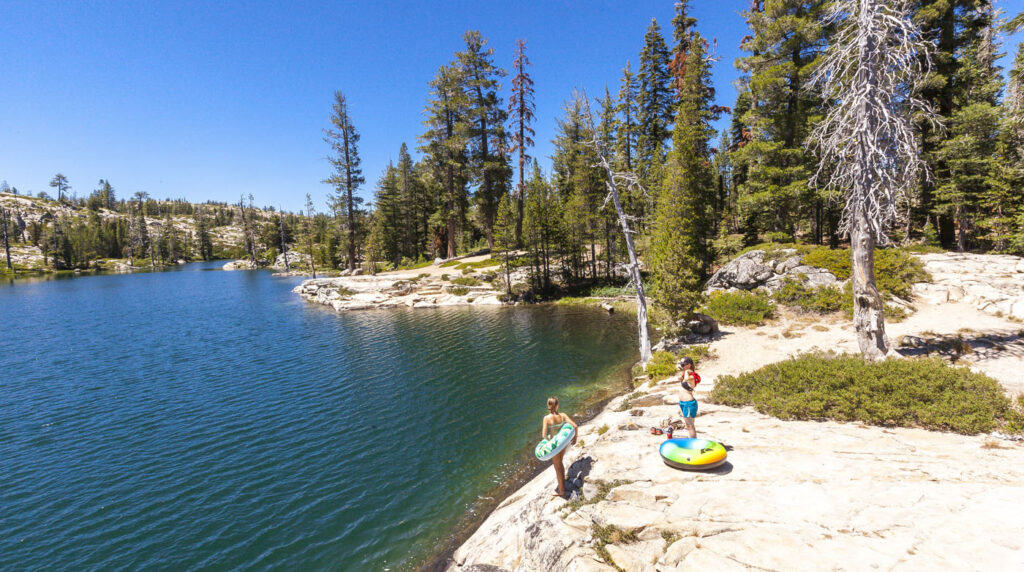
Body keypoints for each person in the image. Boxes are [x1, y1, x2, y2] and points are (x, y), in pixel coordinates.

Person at [542, 397, 578, 498]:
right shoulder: (563, 416)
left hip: (555, 447)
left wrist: (548, 441)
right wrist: (575, 438)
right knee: (560, 463)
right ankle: (562, 484)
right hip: (563, 444)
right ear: (557, 405)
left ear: (548, 406)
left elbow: (543, 435)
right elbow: (575, 426)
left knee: (557, 467)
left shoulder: (546, 418)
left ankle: (561, 491)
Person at [676, 357, 701, 439]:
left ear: (689, 365)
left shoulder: (692, 376)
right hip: (683, 403)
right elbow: (679, 378)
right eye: (681, 365)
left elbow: (687, 379)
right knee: (689, 425)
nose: (682, 366)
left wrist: (687, 371)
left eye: (683, 365)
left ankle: (693, 441)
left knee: (689, 425)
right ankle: (691, 439)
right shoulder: (685, 375)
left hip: (688, 404)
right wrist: (683, 373)